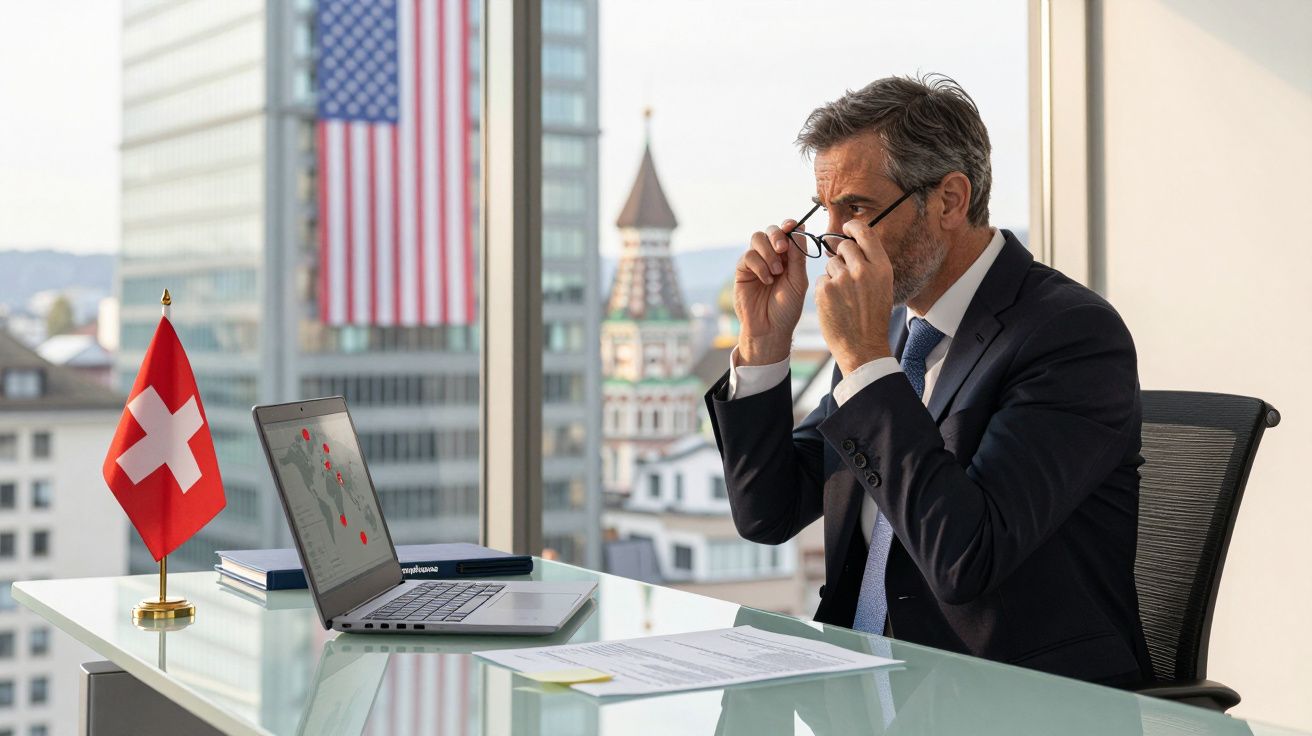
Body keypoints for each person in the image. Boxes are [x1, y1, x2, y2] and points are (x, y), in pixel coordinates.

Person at [705, 74, 1151, 686]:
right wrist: (762, 344)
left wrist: (864, 360)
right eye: (823, 211)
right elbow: (768, 513)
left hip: (1011, 702)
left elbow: (965, 558)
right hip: (857, 694)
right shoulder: (887, 328)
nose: (832, 240)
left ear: (948, 200)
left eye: (857, 209)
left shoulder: (1070, 335)